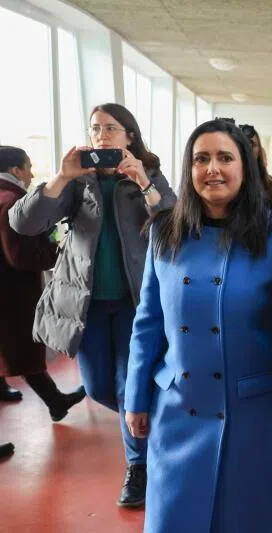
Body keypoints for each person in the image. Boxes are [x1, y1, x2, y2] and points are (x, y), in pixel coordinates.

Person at [124, 119, 272, 533]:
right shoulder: (165, 231)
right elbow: (148, 321)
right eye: (201, 159)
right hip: (179, 407)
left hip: (256, 415)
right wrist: (135, 397)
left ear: (246, 166)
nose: (212, 169)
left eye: (225, 157)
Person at [10, 103, 177, 507]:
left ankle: (138, 467)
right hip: (84, 307)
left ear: (129, 136)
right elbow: (23, 223)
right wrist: (62, 176)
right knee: (103, 388)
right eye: (95, 128)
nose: (102, 135)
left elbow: (174, 222)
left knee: (125, 386)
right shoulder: (77, 183)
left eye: (111, 128)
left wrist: (141, 180)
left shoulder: (147, 173)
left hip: (135, 305)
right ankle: (141, 423)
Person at [0, 146, 86, 421]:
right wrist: (55, 249)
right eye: (27, 166)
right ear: (15, 171)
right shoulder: (12, 201)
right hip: (12, 292)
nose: (31, 173)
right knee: (22, 347)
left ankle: (53, 400)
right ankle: (56, 401)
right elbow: (20, 255)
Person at [239, 123, 272, 201]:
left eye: (252, 144)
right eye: (244, 144)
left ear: (259, 149)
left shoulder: (268, 183)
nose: (248, 149)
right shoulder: (229, 181)